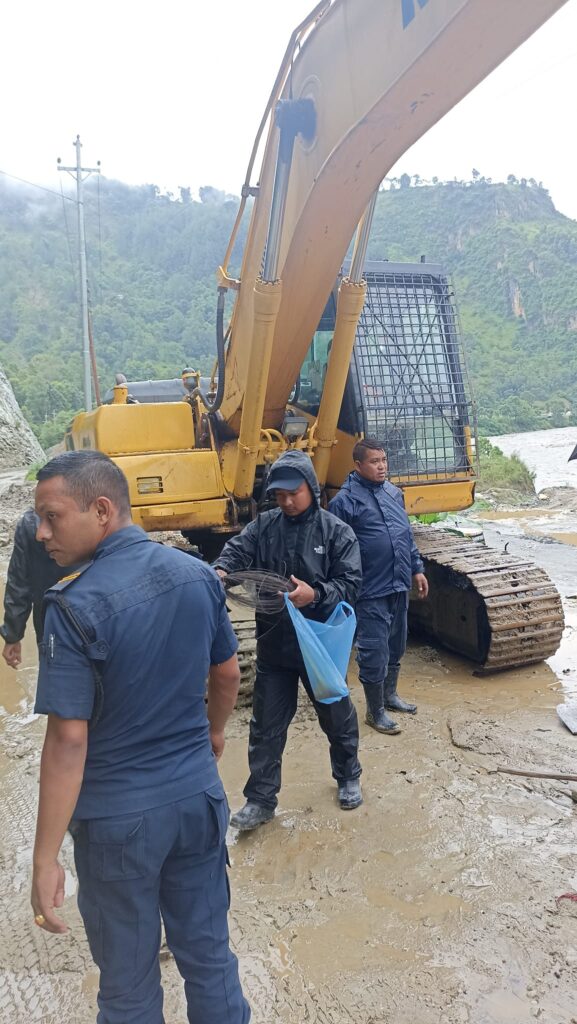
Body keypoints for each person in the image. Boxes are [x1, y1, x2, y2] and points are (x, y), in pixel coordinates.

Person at [31, 450, 250, 1024]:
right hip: (197, 802)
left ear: (102, 510)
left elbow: (68, 741)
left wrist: (45, 858)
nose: (41, 533)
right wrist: (215, 733)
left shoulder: (73, 606)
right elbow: (227, 674)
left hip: (117, 823)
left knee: (128, 986)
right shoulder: (196, 575)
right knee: (210, 959)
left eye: (52, 517)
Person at [214, 449, 363, 831]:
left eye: (293, 493)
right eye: (279, 495)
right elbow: (236, 551)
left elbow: (350, 584)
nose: (286, 501)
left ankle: (348, 776)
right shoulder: (264, 526)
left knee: (336, 714)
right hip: (275, 644)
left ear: (311, 487)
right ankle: (260, 800)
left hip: (319, 646)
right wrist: (222, 569)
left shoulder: (336, 532)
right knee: (266, 725)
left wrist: (316, 594)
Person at [329, 438, 428, 736]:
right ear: (358, 465)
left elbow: (405, 536)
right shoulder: (344, 502)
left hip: (398, 583)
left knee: (396, 643)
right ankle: (375, 711)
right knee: (374, 649)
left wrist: (417, 569)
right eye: (374, 461)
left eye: (383, 460)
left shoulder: (393, 493)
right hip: (369, 589)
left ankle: (390, 695)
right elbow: (335, 551)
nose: (382, 466)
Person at [1, 508, 71, 668]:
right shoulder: (96, 517)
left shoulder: (30, 523)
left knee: (52, 671)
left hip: (49, 621)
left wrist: (12, 635)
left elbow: (19, 582)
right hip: (97, 620)